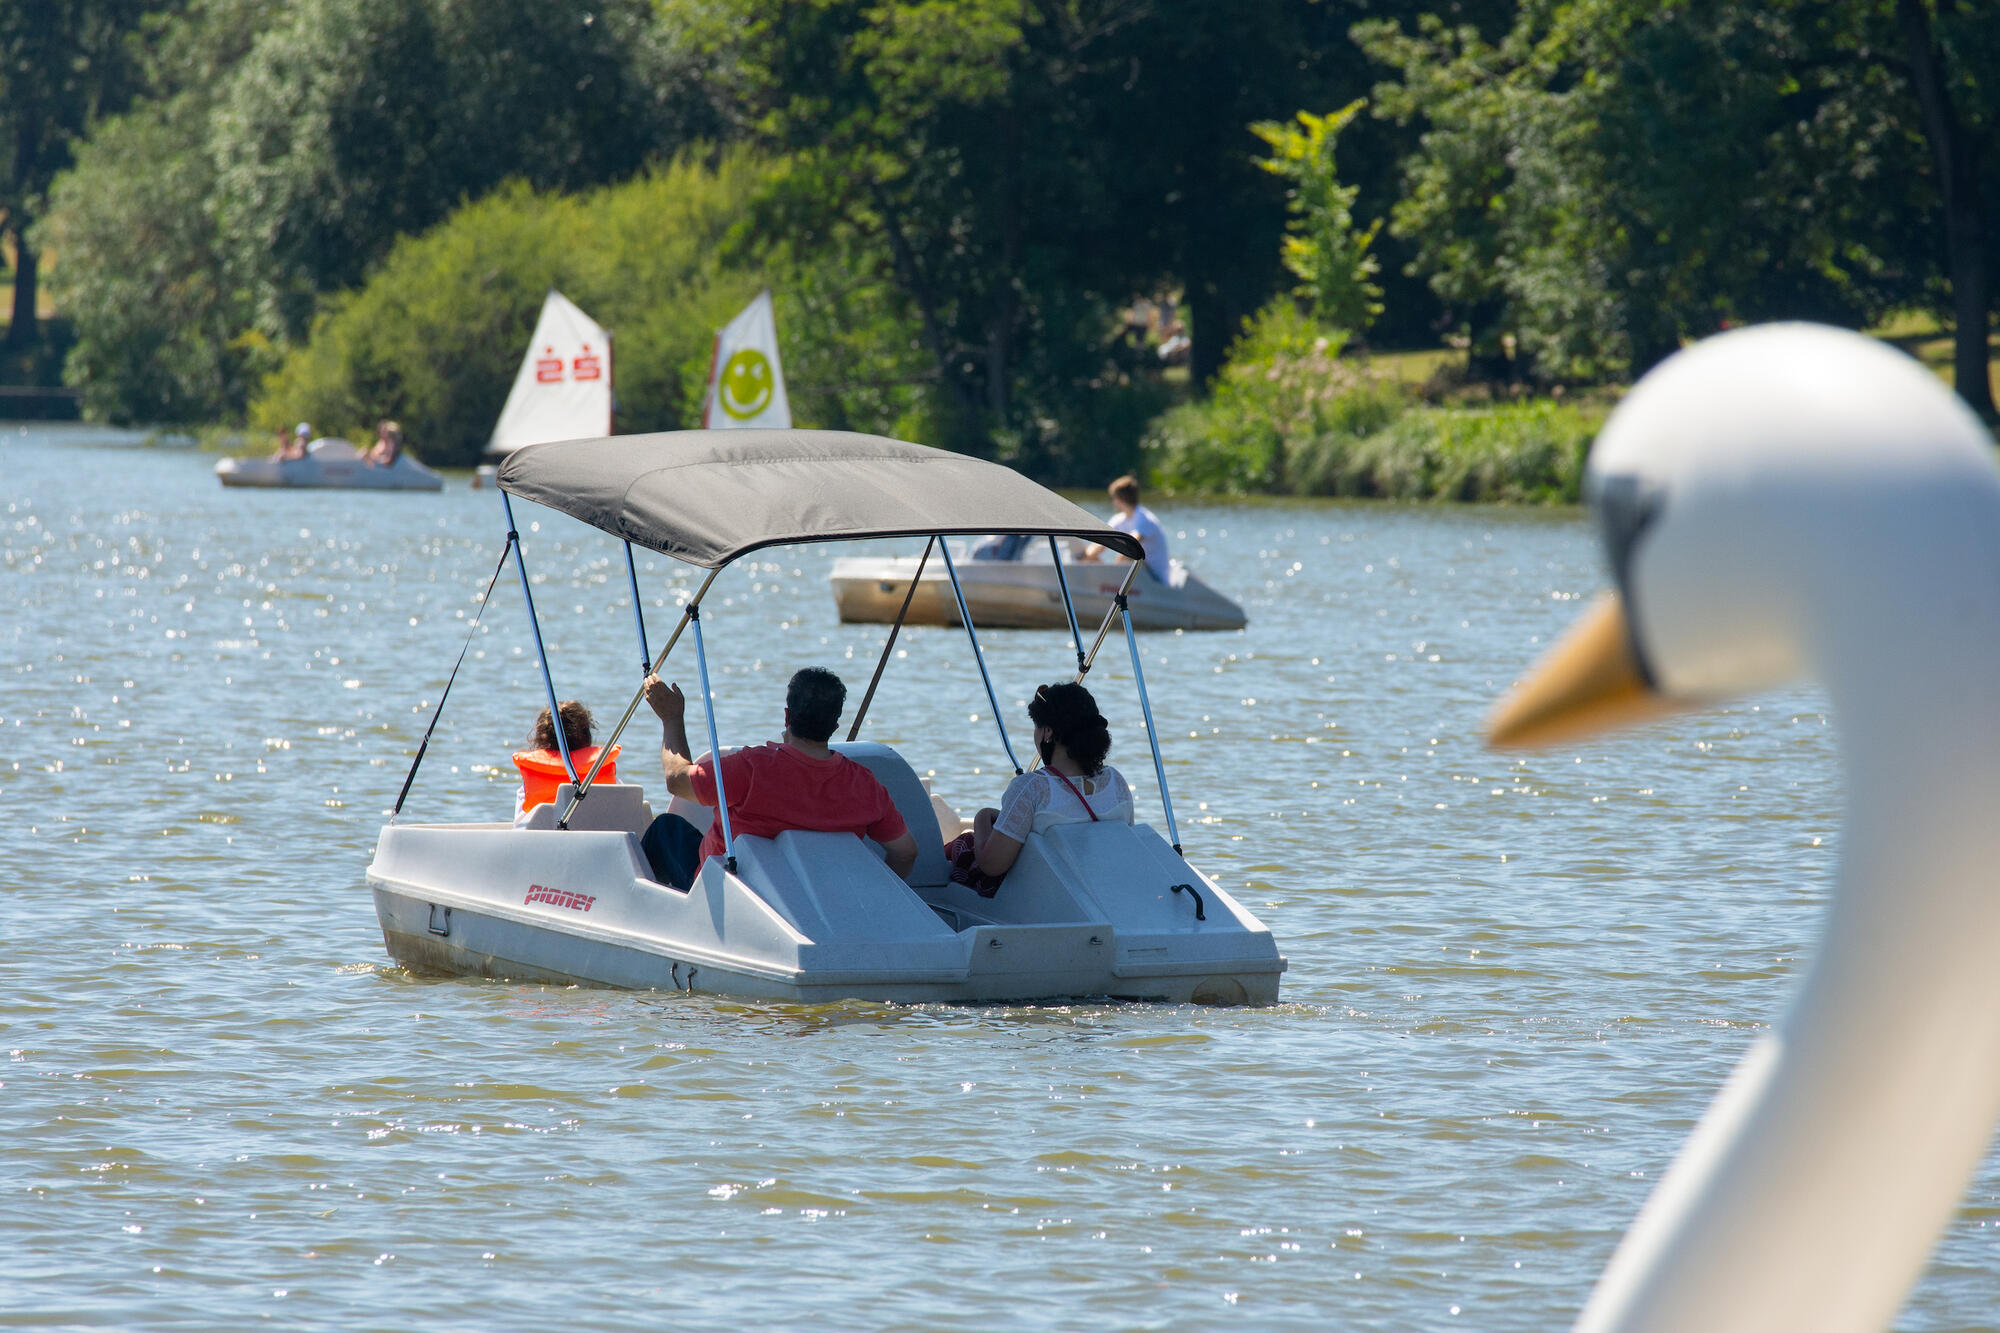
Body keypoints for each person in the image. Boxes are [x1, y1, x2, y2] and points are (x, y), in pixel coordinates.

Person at [637, 666, 918, 888]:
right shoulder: (865, 785)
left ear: (787, 716)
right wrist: (871, 892)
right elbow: (906, 852)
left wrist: (672, 718)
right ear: (834, 725)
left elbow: (676, 779)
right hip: (819, 900)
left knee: (666, 829)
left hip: (735, 893)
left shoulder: (751, 769)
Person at [948, 681, 1133, 894]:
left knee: (964, 845)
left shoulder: (1031, 787)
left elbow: (992, 865)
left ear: (1047, 732)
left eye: (1036, 727)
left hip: (1045, 896)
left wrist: (981, 818)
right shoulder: (1115, 782)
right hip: (1105, 890)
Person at [511, 700, 620, 827]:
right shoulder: (604, 772)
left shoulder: (527, 786)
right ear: (587, 737)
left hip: (543, 841)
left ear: (541, 739)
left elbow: (520, 826)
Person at [1081, 475, 1168, 576]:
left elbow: (1131, 546)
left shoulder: (1145, 519)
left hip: (1155, 578)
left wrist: (1113, 574)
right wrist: (1085, 558)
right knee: (1092, 560)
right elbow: (1099, 545)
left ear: (1119, 499)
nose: (1113, 502)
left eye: (1113, 498)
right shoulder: (1119, 519)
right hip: (1138, 575)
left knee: (1128, 556)